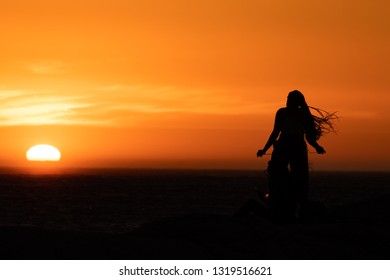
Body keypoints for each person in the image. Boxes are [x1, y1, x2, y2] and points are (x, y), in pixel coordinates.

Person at [257, 90, 335, 222]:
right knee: (280, 176)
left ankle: (296, 212)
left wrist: (317, 147)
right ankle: (280, 206)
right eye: (287, 98)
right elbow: (275, 132)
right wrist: (264, 149)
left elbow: (307, 137)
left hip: (294, 147)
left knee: (299, 180)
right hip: (288, 146)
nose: (287, 101)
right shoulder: (284, 112)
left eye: (289, 99)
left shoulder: (301, 115)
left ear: (295, 101)